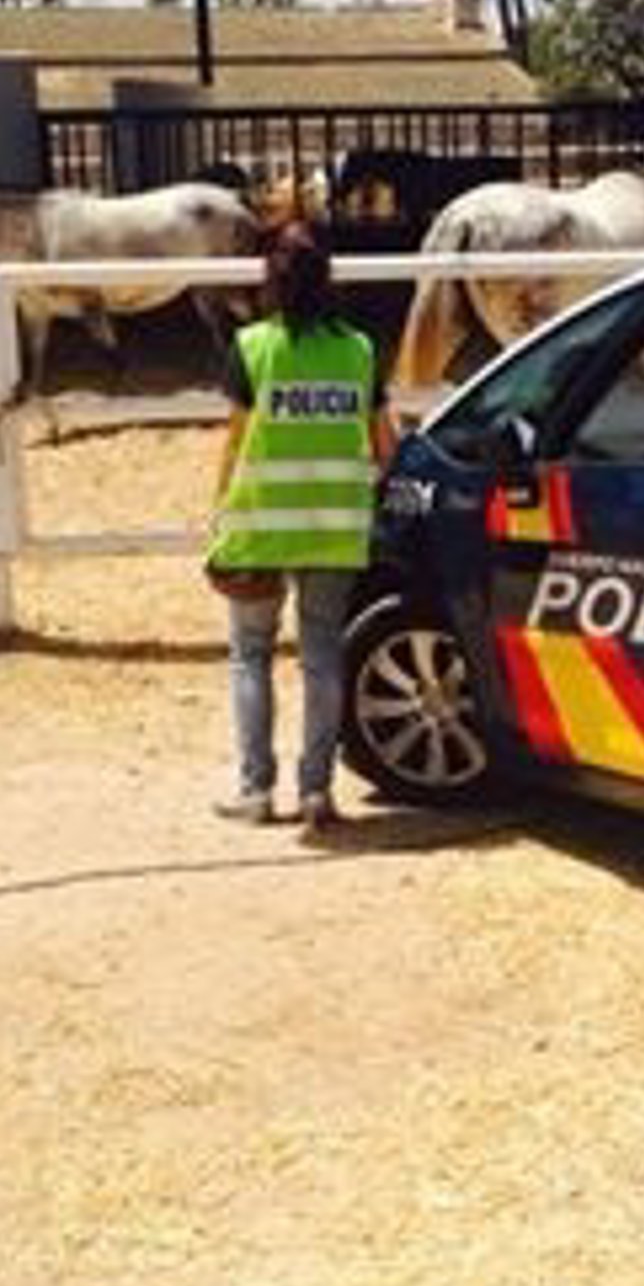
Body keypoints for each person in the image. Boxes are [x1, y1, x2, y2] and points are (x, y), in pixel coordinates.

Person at [206, 219, 395, 835]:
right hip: (335, 525)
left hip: (261, 525)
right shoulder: (359, 351)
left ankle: (256, 789)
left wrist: (219, 512)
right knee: (323, 658)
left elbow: (235, 443)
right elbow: (384, 444)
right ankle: (317, 790)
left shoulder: (252, 347)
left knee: (250, 656)